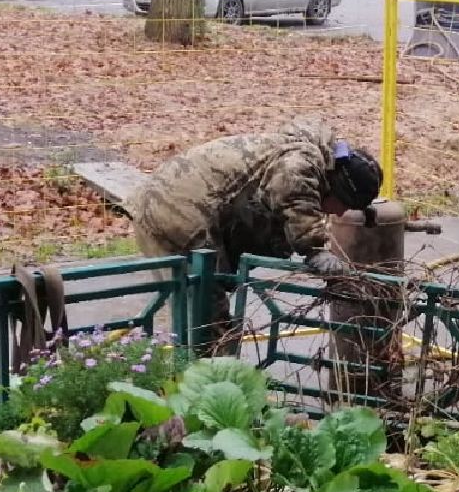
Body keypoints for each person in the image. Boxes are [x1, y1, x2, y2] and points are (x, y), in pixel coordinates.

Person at [127, 120, 384, 349]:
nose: (340, 215)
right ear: (335, 187)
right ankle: (205, 391)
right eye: (344, 206)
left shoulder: (311, 155)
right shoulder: (301, 163)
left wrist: (362, 204)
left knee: (202, 312)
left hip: (174, 206)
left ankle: (199, 382)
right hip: (177, 216)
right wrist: (314, 249)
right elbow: (295, 191)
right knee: (208, 325)